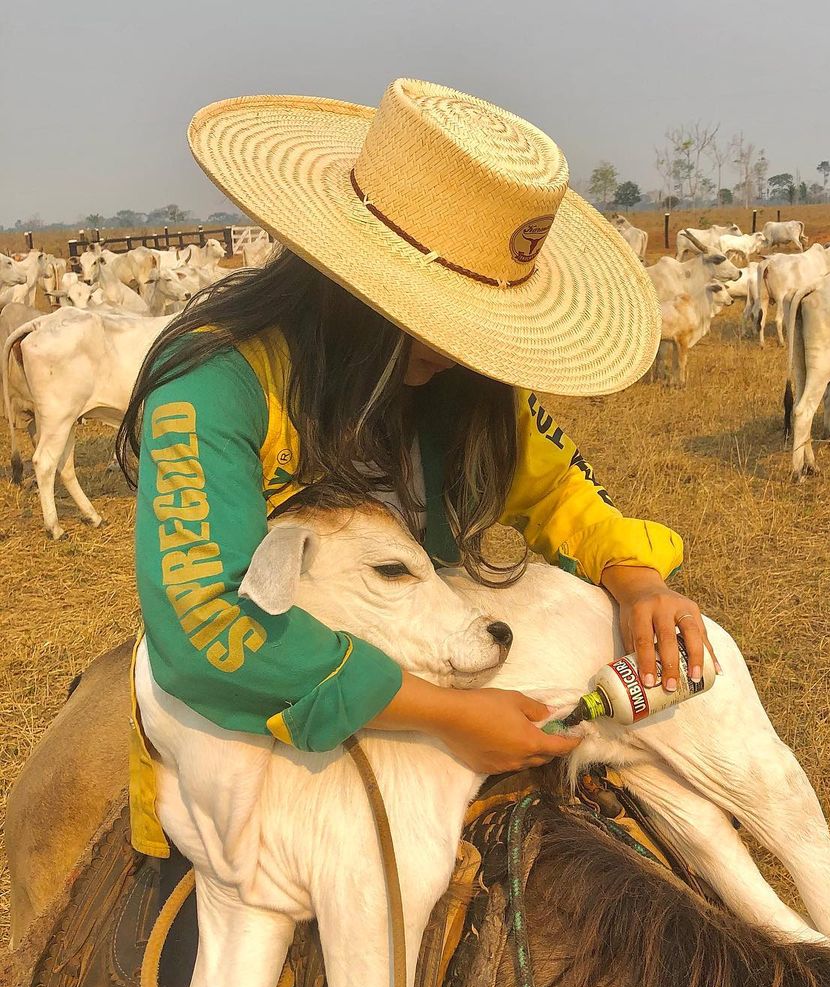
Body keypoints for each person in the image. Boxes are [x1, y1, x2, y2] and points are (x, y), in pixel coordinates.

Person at [118, 78, 711, 858]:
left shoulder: (465, 384)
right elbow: (206, 622)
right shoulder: (213, 389)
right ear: (354, 285)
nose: (462, 345)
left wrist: (637, 577)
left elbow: (558, 485)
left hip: (434, 655)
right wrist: (443, 714)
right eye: (439, 317)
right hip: (266, 700)